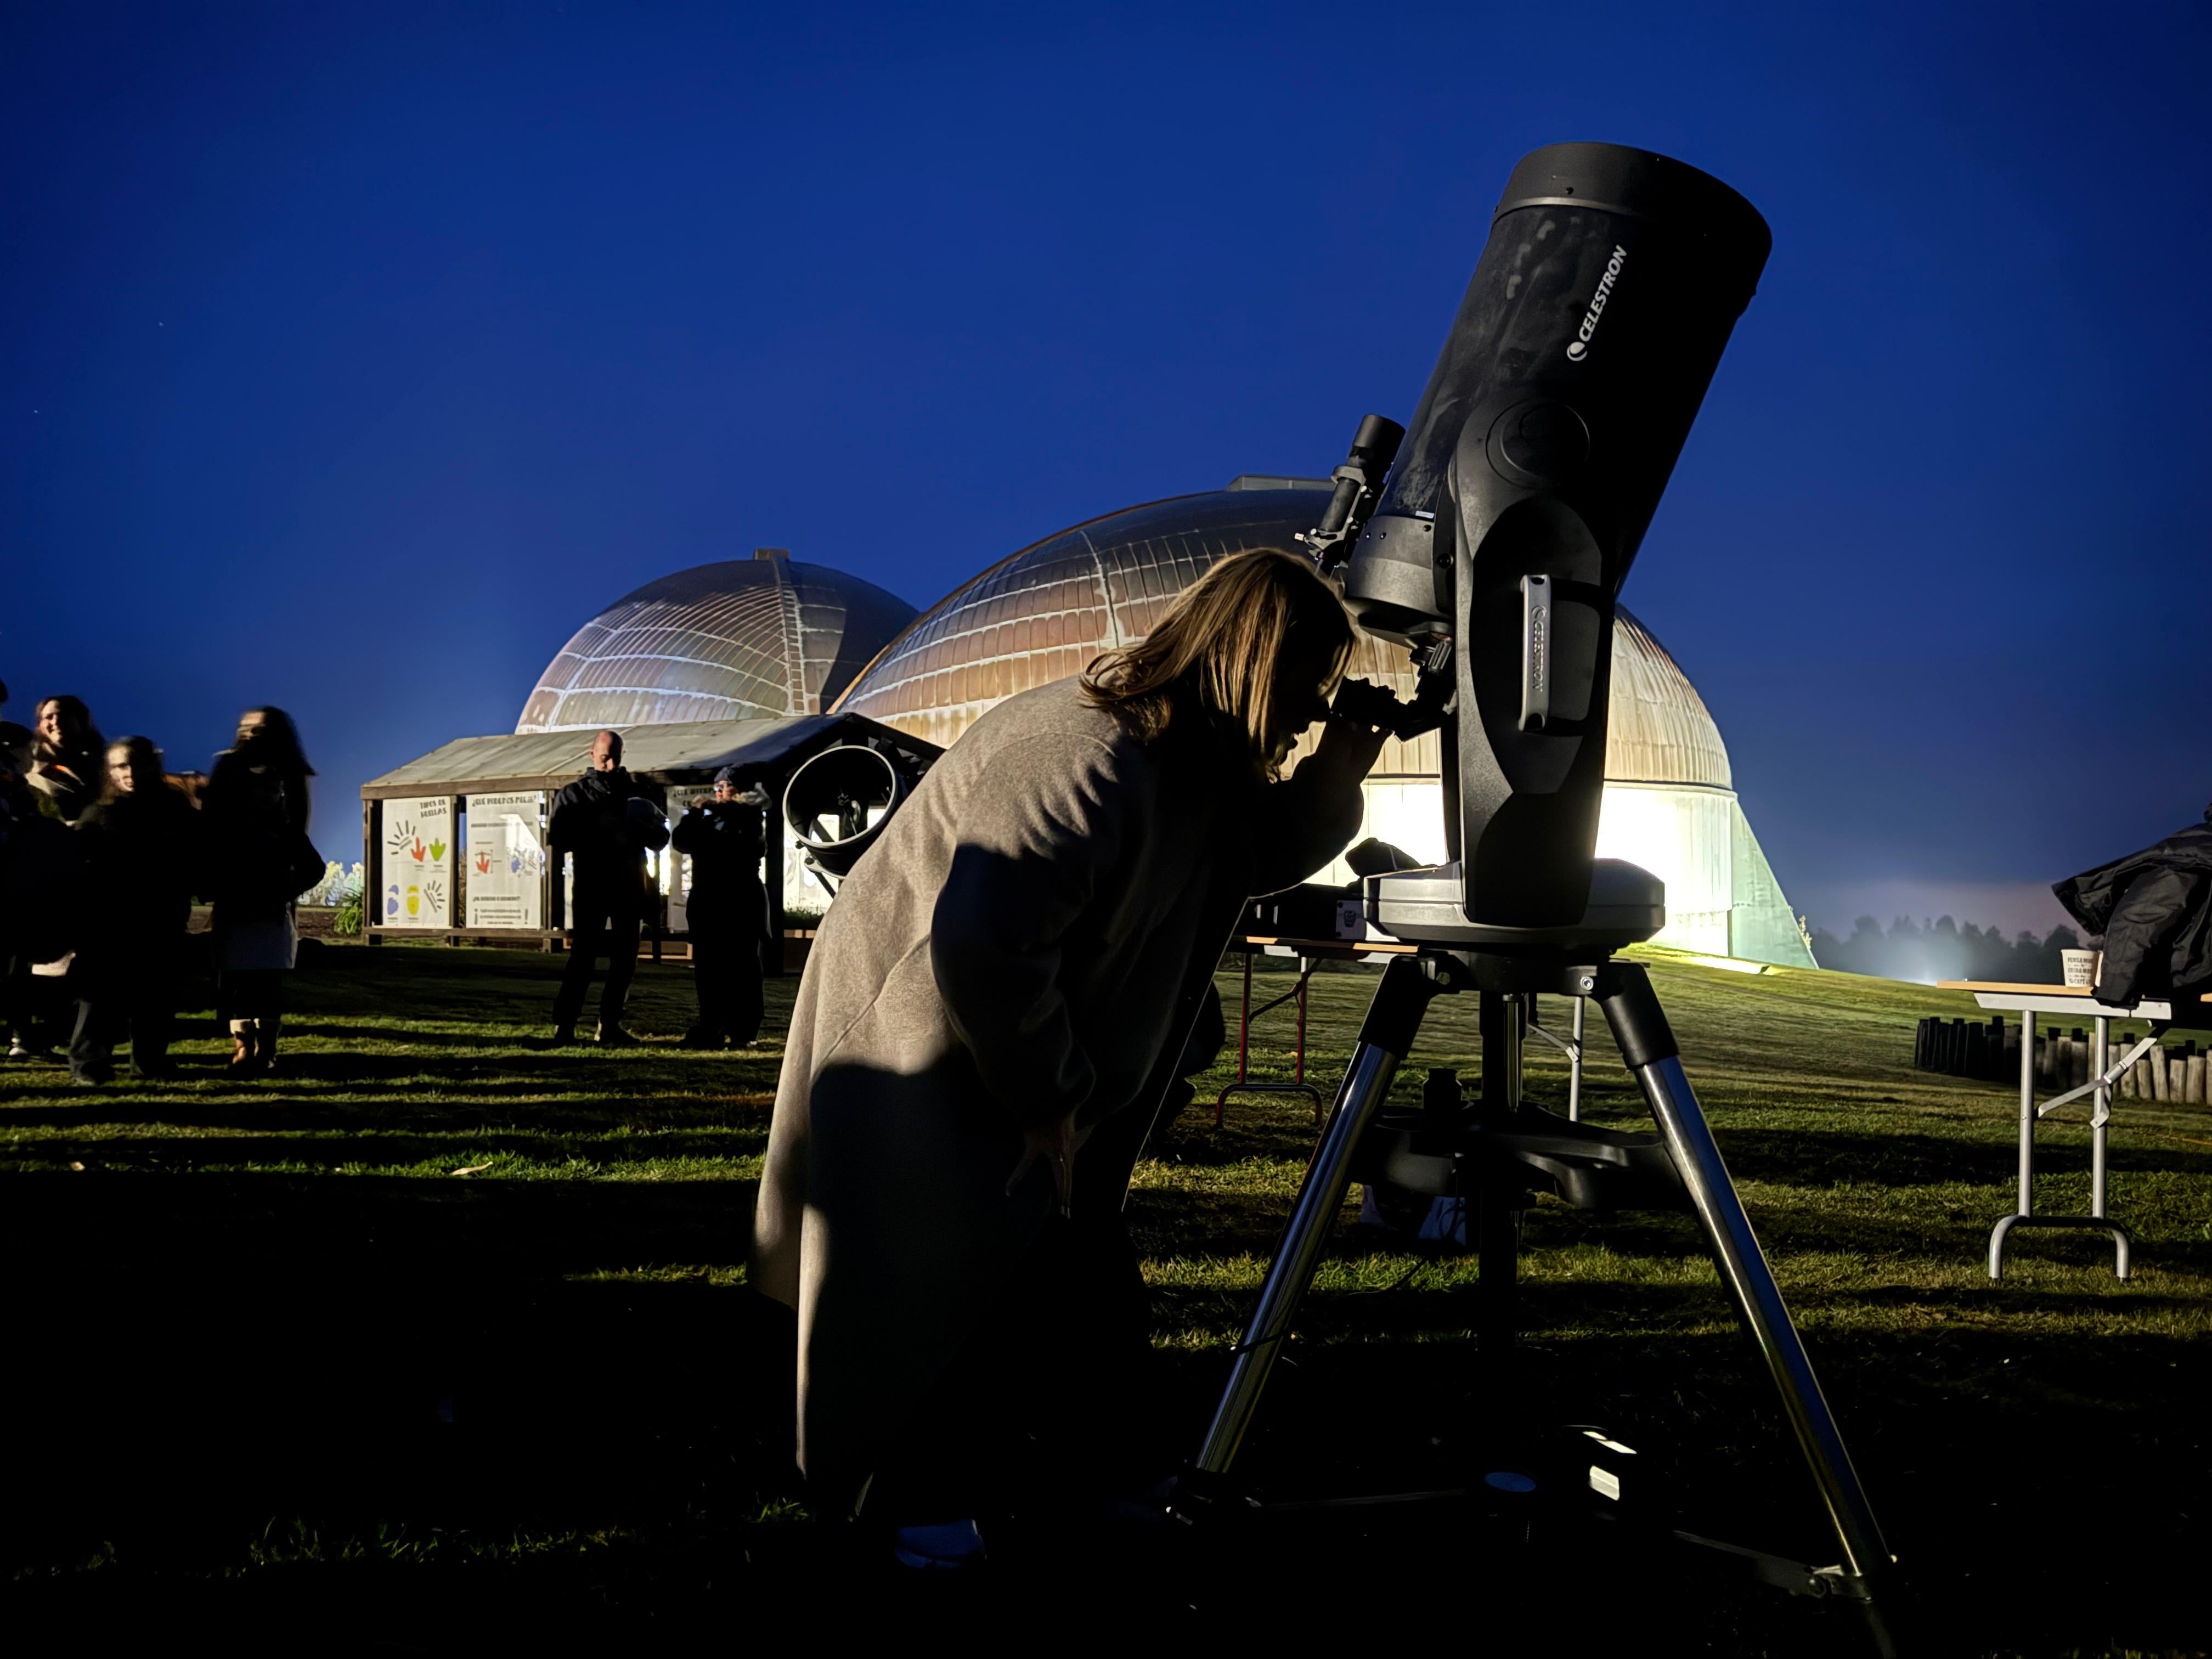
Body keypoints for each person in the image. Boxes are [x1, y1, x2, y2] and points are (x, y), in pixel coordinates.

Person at [752, 549, 1390, 1552]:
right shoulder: (1087, 746)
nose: (1308, 715)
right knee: (936, 1285)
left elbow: (1242, 856)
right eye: (1305, 692)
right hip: (934, 1045)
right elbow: (985, 942)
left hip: (1026, 1056)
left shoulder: (1184, 758)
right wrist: (1048, 1099)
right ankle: (905, 1503)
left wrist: (1334, 775)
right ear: (1257, 665)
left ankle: (1089, 1476)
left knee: (1065, 1263)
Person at [68, 738, 201, 1084]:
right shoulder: (99, 815)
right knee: (101, 997)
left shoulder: (175, 808)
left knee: (156, 994)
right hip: (110, 919)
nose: (129, 773)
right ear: (110, 772)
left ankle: (150, 1060)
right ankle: (89, 1062)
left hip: (162, 915)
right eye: (120, 766)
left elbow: (196, 854)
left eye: (136, 764)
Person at [202, 707, 316, 1074]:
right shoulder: (227, 774)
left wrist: (285, 890)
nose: (252, 735)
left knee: (265, 981)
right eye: (246, 728)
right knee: (234, 979)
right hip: (234, 900)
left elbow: (311, 865)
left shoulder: (284, 826)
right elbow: (209, 828)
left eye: (261, 729)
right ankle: (242, 1045)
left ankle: (266, 1047)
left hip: (268, 906)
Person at [548, 730, 669, 1046]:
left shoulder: (637, 793)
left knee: (625, 959)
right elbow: (559, 840)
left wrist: (643, 827)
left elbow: (660, 840)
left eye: (615, 757)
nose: (611, 763)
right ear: (592, 755)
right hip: (593, 886)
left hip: (629, 886)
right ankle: (566, 1026)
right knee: (583, 957)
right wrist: (601, 829)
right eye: (605, 757)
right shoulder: (574, 794)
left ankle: (609, 1025)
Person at [671, 765, 770, 1049]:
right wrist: (695, 815)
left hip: (738, 904)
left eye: (724, 786)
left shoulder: (749, 815)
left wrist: (702, 814)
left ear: (740, 790)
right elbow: (681, 842)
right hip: (711, 903)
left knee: (742, 970)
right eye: (717, 786)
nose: (718, 791)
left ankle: (741, 1031)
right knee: (709, 970)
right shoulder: (709, 818)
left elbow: (738, 838)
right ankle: (711, 1026)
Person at [27, 695, 106, 823]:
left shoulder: (105, 765)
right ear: (40, 726)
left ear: (81, 721)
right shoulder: (28, 770)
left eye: (63, 715)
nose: (56, 721)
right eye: (49, 717)